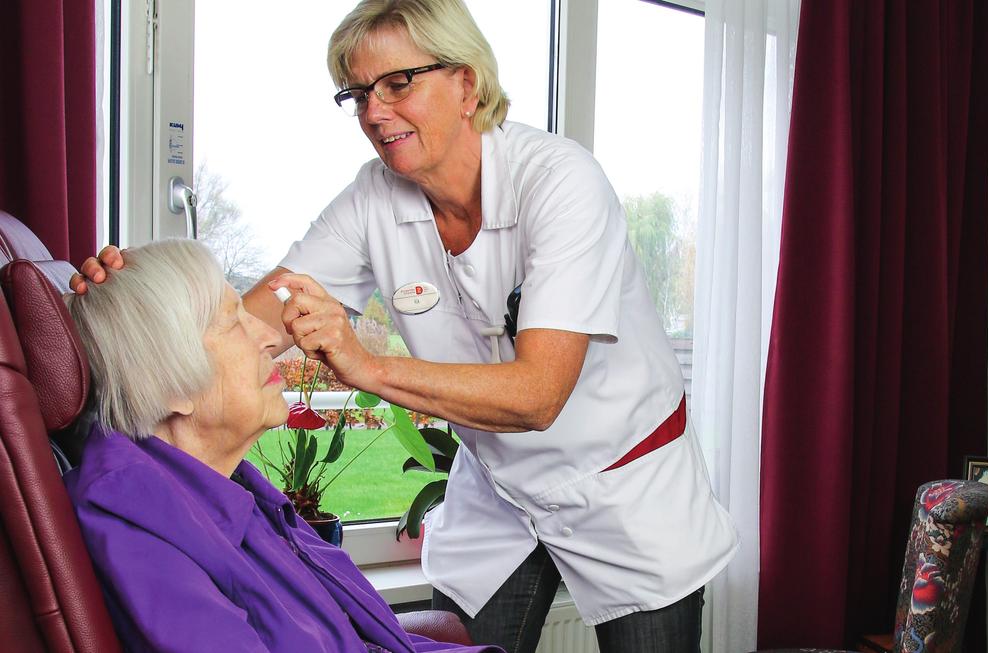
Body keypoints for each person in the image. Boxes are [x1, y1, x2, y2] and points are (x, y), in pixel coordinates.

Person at [73, 1, 738, 651]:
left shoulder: (562, 183)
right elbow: (243, 324)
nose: (373, 112)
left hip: (622, 485)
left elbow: (539, 394)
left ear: (467, 84)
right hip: (501, 489)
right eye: (358, 94)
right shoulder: (373, 200)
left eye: (397, 84)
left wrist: (368, 367)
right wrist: (131, 308)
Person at [64, 239, 502, 653]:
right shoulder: (134, 520)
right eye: (234, 321)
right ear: (166, 382)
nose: (272, 339)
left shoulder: (230, 486)